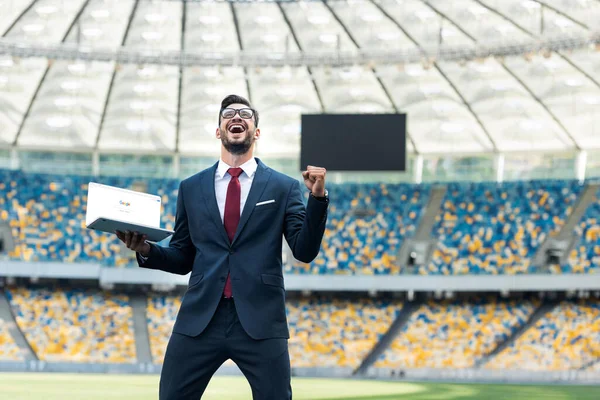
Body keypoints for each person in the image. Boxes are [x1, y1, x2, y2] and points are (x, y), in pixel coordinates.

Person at [116, 94, 328, 400]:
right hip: (201, 318)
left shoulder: (284, 187)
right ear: (219, 130)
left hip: (260, 319)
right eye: (228, 114)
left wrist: (317, 200)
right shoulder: (192, 187)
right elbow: (182, 256)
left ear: (256, 131)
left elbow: (304, 251)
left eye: (245, 114)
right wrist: (147, 250)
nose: (236, 117)